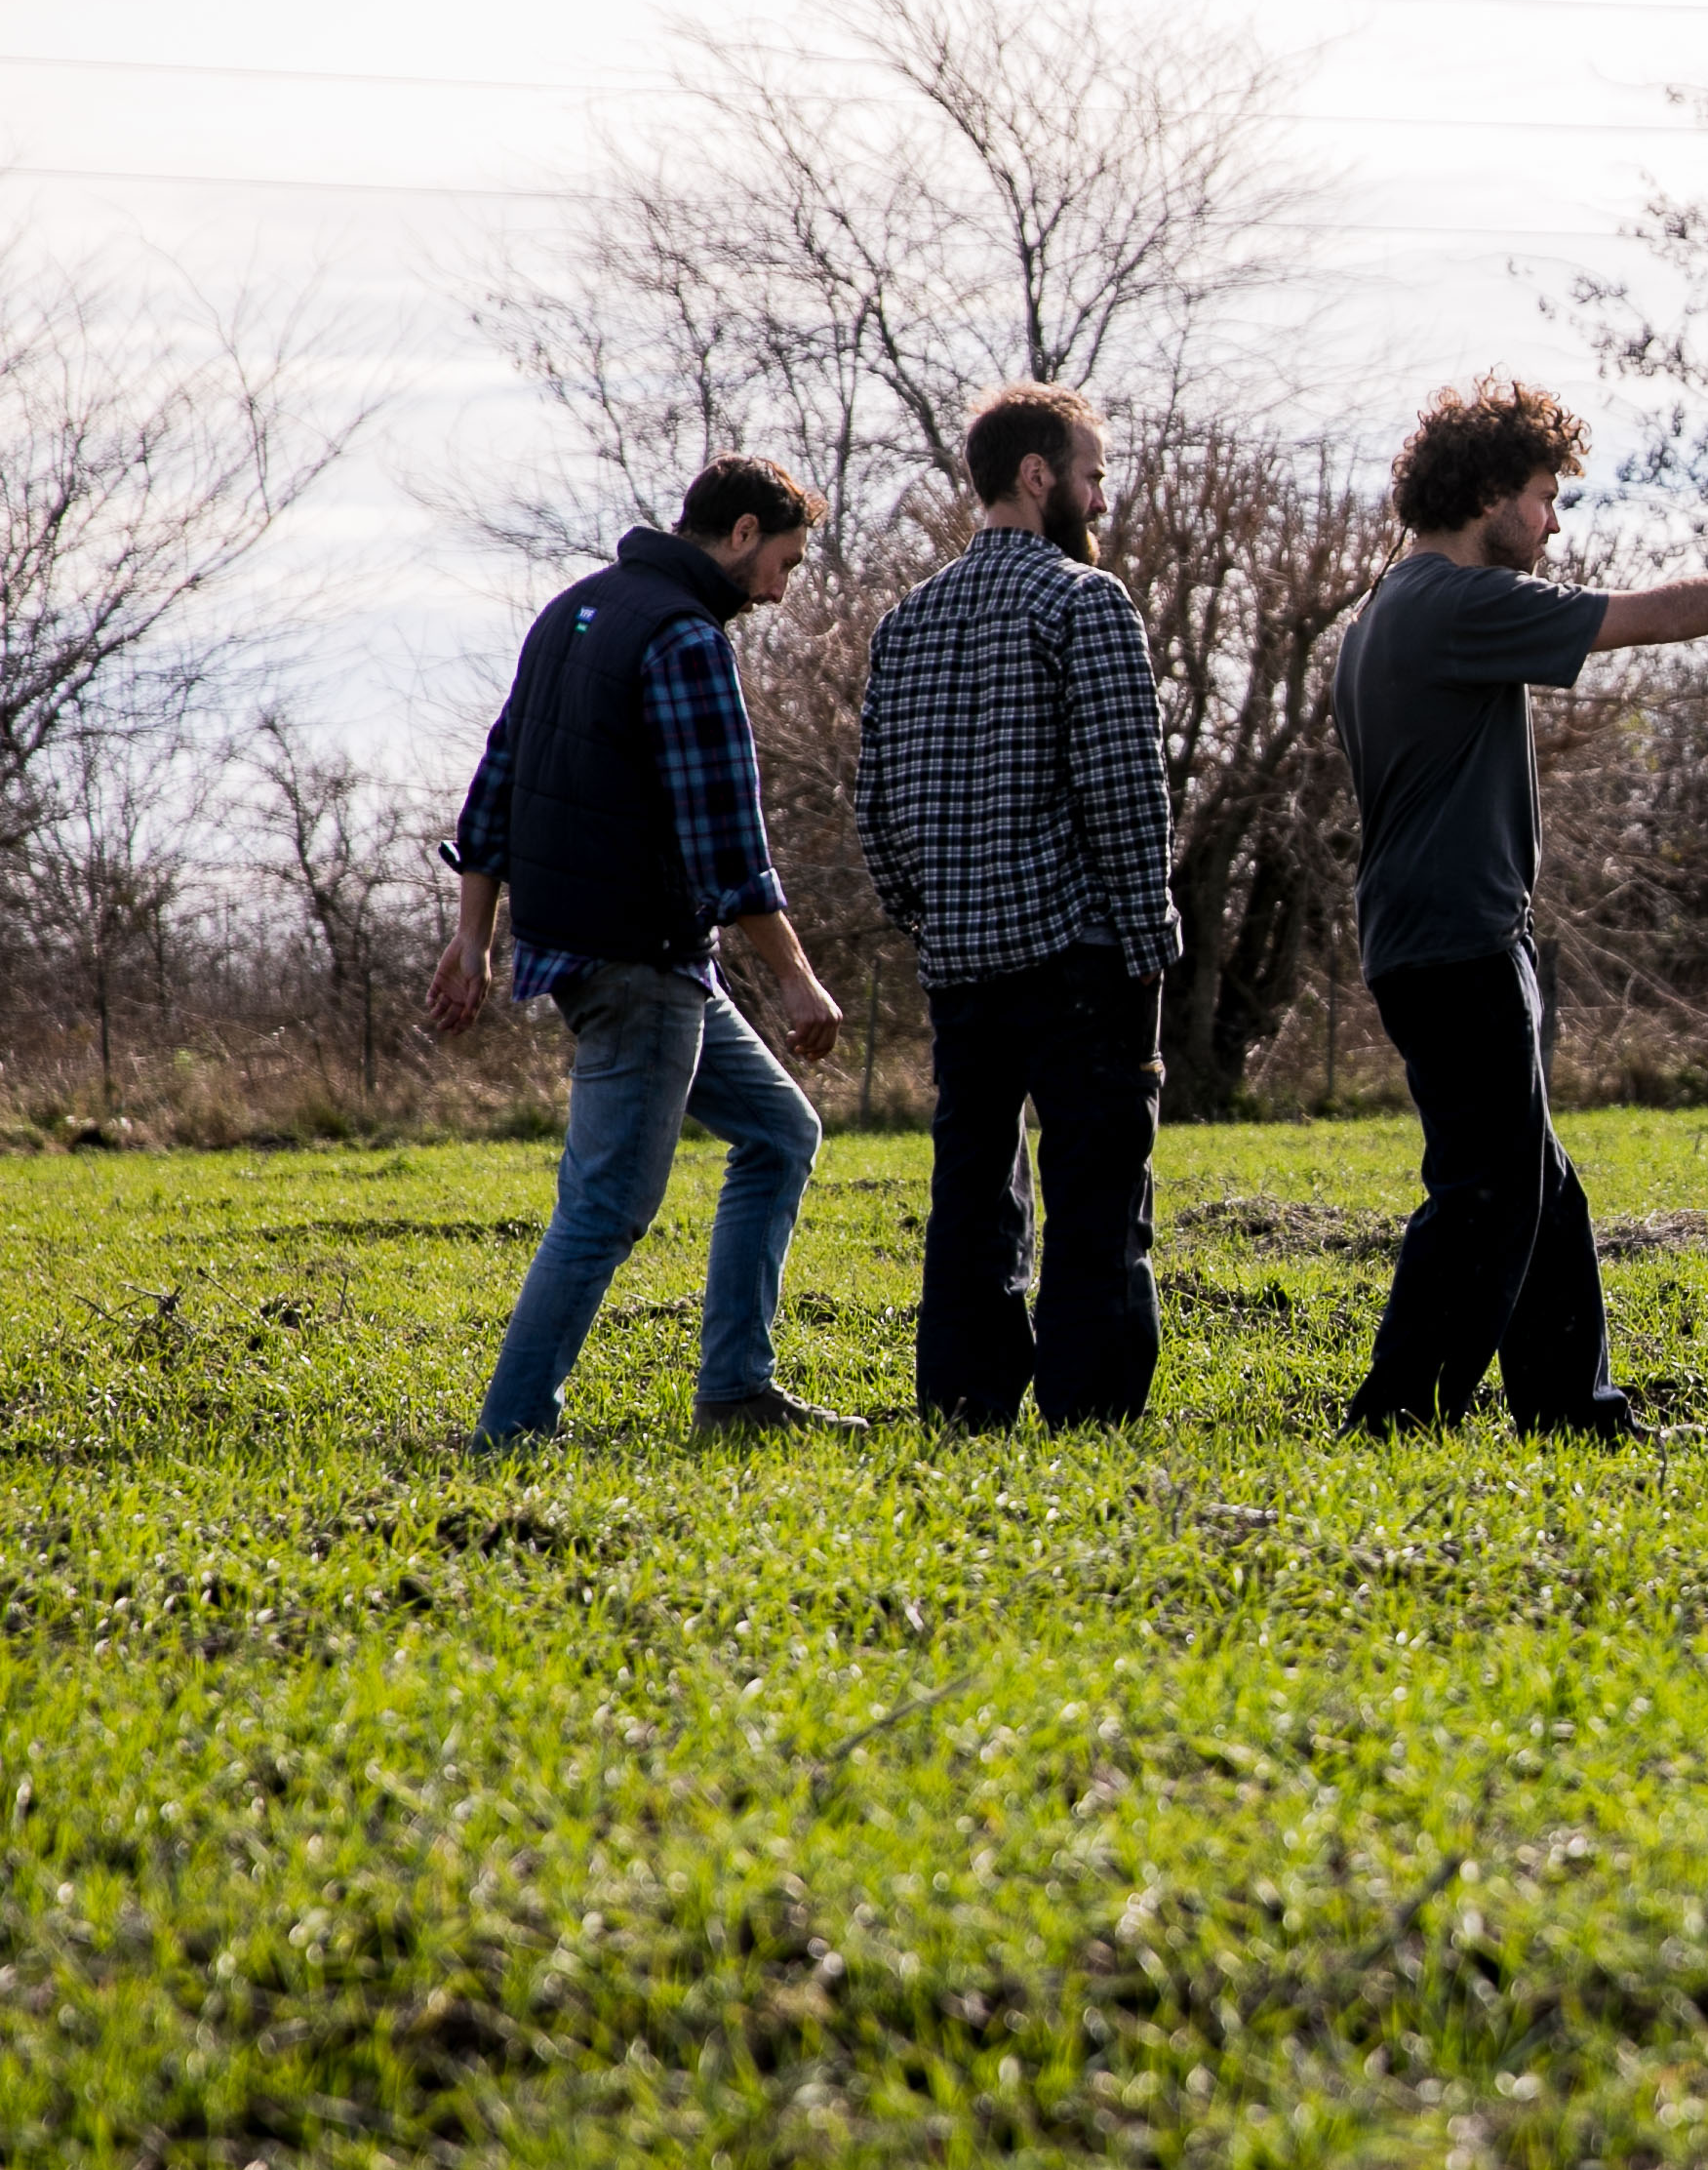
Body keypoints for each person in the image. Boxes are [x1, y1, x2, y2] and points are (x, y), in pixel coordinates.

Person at [1333, 375, 1708, 1438]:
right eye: (1545, 497)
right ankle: (1400, 1416)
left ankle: (1573, 1411)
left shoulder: (1384, 611)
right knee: (1490, 1188)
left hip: (1433, 933)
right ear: (1486, 495)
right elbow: (1659, 617)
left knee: (1538, 1184)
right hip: (1456, 937)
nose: (1554, 523)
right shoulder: (1452, 603)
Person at [428, 457, 859, 1448]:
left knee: (780, 1134)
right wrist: (797, 978)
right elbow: (726, 844)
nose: (784, 589)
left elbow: (494, 785)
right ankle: (512, 1429)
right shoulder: (684, 639)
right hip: (638, 960)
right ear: (742, 534)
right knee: (607, 1205)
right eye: (785, 563)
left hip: (605, 954)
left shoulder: (574, 612)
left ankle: (737, 1394)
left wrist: (473, 934)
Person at [851, 382, 1181, 1430]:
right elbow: (1127, 794)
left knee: (970, 1197)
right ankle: (1090, 1412)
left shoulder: (905, 624)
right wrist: (1147, 944)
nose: (1100, 498)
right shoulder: (1087, 603)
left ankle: (965, 1400)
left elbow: (877, 815)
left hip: (960, 966)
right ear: (1038, 476)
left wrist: (935, 911)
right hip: (1081, 958)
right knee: (1094, 1200)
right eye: (1092, 475)